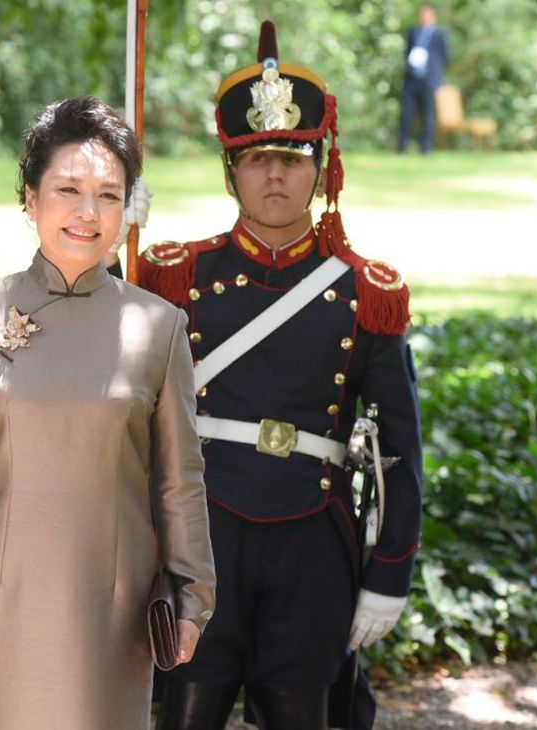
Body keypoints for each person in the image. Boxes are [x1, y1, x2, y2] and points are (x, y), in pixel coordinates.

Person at [117, 21, 423, 730]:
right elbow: (100, 351)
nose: (275, 175)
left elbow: (402, 453)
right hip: (201, 536)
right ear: (231, 171)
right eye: (255, 158)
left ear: (322, 166)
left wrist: (389, 574)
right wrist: (111, 243)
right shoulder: (173, 276)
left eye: (291, 155)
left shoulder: (365, 291)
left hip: (312, 539)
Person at [0, 96, 216, 730]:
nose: (86, 211)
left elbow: (179, 481)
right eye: (67, 189)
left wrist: (194, 596)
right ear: (29, 196)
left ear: (127, 207)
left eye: (108, 194)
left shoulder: (161, 327)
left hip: (114, 615)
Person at [397, 3, 451, 154]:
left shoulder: (440, 34)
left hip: (429, 80)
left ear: (433, 15)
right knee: (407, 113)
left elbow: (445, 57)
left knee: (428, 114)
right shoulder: (414, 31)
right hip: (412, 78)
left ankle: (426, 147)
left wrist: (436, 75)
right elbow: (407, 51)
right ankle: (402, 145)